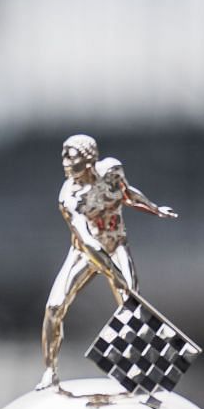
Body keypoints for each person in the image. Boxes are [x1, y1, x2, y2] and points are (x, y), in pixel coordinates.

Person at [39, 134, 178, 385]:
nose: (65, 161)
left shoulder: (112, 171)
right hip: (85, 253)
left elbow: (127, 194)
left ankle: (140, 371)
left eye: (71, 155)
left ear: (89, 157)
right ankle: (50, 371)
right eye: (64, 155)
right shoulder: (70, 199)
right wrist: (114, 273)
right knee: (54, 307)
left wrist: (155, 208)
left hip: (115, 245)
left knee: (131, 304)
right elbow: (88, 241)